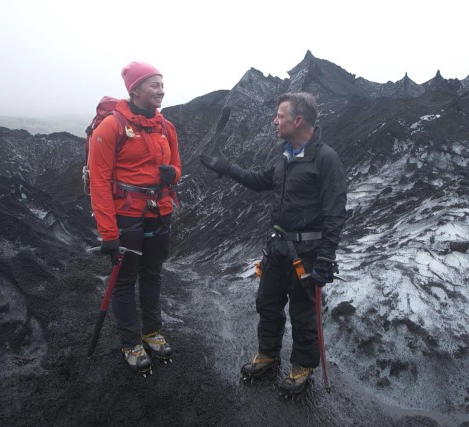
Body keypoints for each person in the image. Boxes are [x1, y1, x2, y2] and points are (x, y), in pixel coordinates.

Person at [199, 92, 347, 394]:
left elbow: (335, 213)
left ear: (298, 119)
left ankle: (302, 365)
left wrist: (325, 258)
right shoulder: (285, 155)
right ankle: (268, 354)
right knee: (267, 303)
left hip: (306, 253)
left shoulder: (325, 158)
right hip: (277, 248)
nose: (274, 121)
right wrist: (226, 168)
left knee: (303, 313)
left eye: (280, 115)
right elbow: (258, 181)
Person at [88, 61, 181, 374]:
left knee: (152, 272)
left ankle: (152, 332)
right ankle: (130, 341)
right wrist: (108, 233)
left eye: (162, 84)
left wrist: (174, 173)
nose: (161, 90)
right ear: (135, 89)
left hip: (160, 212)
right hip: (126, 217)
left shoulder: (165, 127)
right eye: (154, 84)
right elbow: (99, 182)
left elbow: (177, 168)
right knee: (125, 280)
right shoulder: (110, 127)